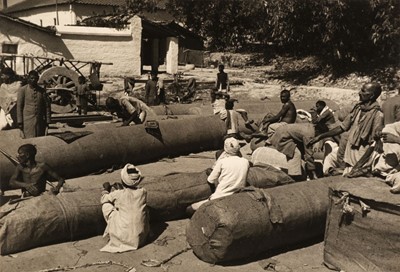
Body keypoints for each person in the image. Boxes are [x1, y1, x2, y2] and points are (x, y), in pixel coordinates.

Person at [308, 82, 384, 175]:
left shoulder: (378, 115)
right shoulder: (358, 109)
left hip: (363, 161)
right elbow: (342, 127)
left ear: (371, 96)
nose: (359, 92)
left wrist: (358, 166)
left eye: (363, 91)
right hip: (350, 158)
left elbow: (374, 144)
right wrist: (320, 137)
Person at [188, 137, 249, 213]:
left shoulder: (222, 162)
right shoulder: (245, 162)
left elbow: (210, 180)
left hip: (221, 196)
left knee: (190, 209)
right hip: (237, 195)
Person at [100, 164, 149, 253]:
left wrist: (105, 190)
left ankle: (114, 234)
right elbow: (130, 195)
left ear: (123, 180)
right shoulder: (143, 191)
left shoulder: (119, 194)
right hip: (140, 238)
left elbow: (104, 199)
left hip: (124, 237)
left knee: (106, 205)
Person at [17, 70, 51, 138]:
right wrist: (20, 122)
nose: (33, 80)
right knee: (29, 141)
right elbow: (19, 107)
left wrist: (48, 121)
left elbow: (47, 106)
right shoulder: (22, 90)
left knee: (39, 140)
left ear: (38, 79)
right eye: (32, 78)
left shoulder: (42, 91)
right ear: (28, 78)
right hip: (27, 122)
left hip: (40, 122)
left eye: (35, 78)